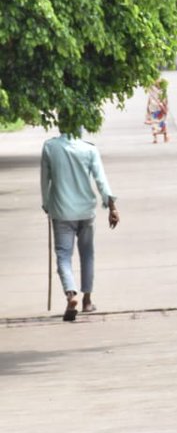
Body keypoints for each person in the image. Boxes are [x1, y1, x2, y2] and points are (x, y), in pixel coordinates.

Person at [40, 133, 120, 321]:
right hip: (86, 212)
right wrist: (112, 207)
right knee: (87, 254)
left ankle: (71, 294)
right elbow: (101, 180)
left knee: (63, 255)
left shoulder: (50, 147)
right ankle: (87, 301)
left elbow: (45, 180)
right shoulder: (89, 149)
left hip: (61, 212)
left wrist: (47, 204)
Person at [145, 78, 169, 144]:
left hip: (157, 109)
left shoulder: (157, 91)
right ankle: (159, 138)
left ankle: (161, 137)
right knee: (158, 124)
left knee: (158, 124)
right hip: (157, 109)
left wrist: (148, 110)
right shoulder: (158, 90)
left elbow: (149, 101)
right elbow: (165, 101)